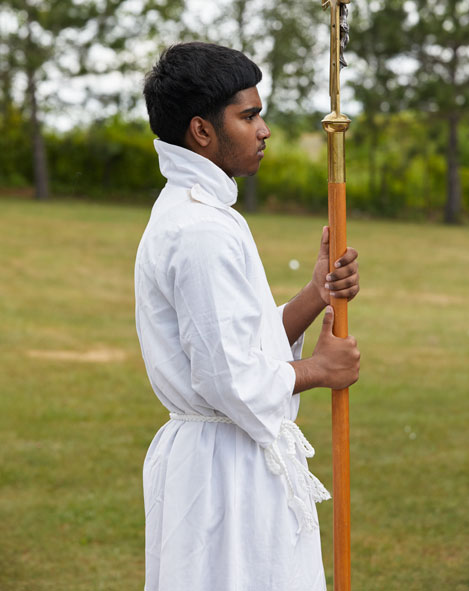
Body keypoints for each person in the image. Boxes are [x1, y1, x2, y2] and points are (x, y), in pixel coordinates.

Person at [135, 42, 360, 591]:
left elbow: (240, 344)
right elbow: (229, 378)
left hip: (230, 459)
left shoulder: (208, 212)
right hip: (221, 477)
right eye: (249, 115)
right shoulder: (199, 229)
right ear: (202, 131)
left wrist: (314, 295)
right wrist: (321, 370)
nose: (263, 130)